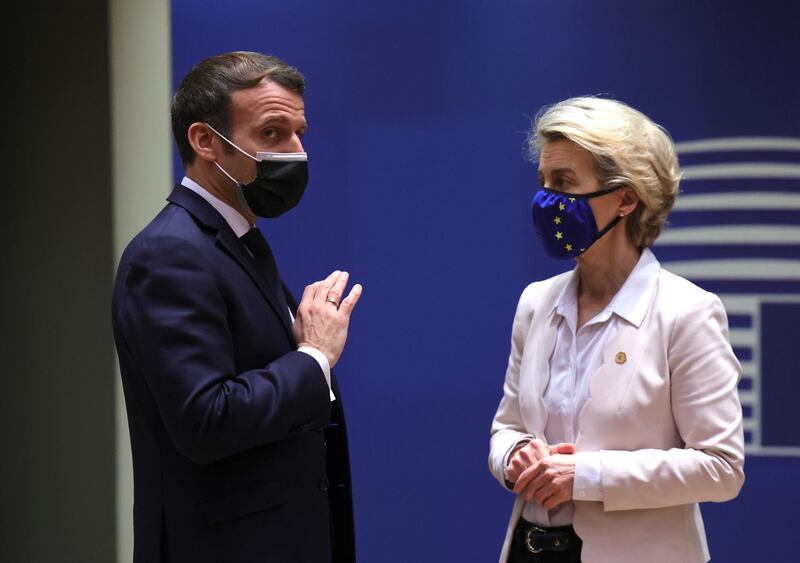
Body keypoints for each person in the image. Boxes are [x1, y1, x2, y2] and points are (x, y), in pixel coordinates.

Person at [112, 51, 361, 563]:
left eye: (299, 133)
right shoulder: (170, 253)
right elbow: (206, 419)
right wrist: (313, 358)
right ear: (205, 141)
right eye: (272, 134)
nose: (296, 152)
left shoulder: (236, 238)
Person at [488, 97, 744, 563]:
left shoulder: (687, 312)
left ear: (626, 198)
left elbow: (721, 468)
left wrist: (586, 476)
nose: (546, 199)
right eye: (543, 181)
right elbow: (507, 428)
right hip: (529, 548)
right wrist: (515, 455)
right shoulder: (536, 302)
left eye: (564, 183)